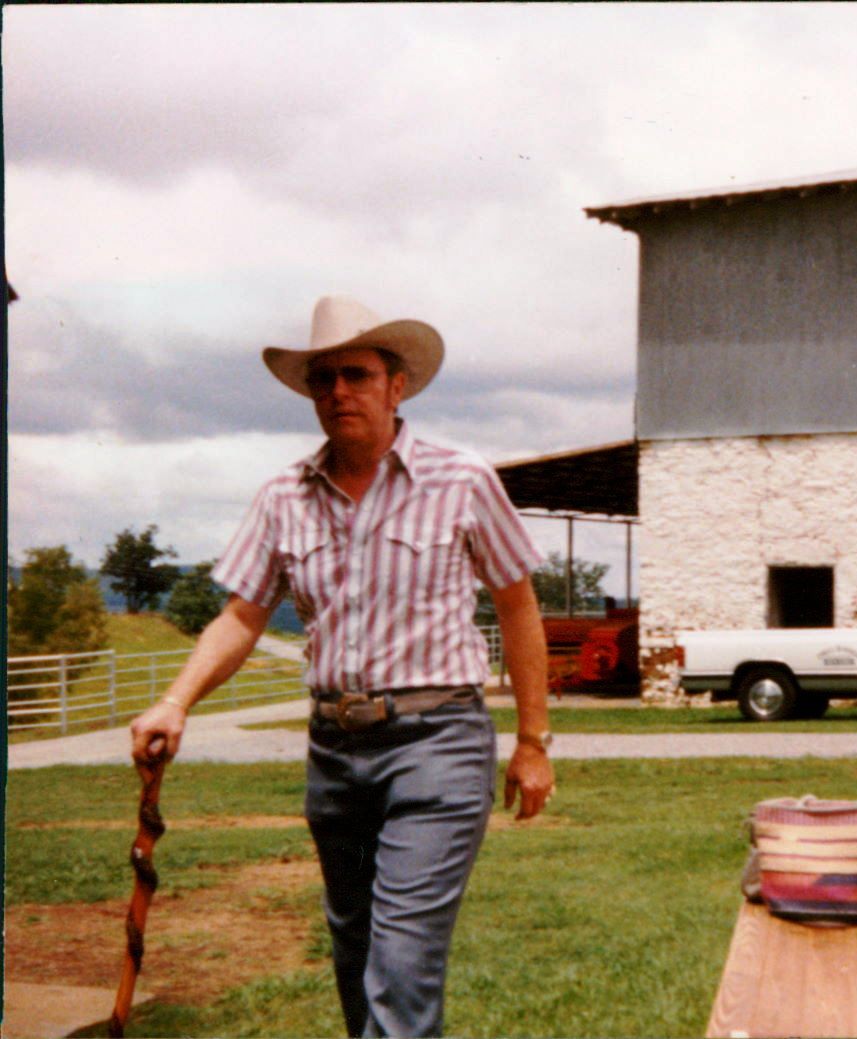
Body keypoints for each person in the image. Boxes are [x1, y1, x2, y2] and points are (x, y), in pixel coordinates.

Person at [130, 296, 555, 1037]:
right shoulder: (283, 496)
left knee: (401, 960)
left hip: (437, 742)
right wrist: (176, 700)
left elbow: (517, 606)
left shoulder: (462, 479)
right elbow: (242, 615)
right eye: (322, 379)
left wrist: (531, 741)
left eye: (355, 375)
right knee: (356, 951)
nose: (337, 392)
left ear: (397, 386)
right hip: (334, 752)